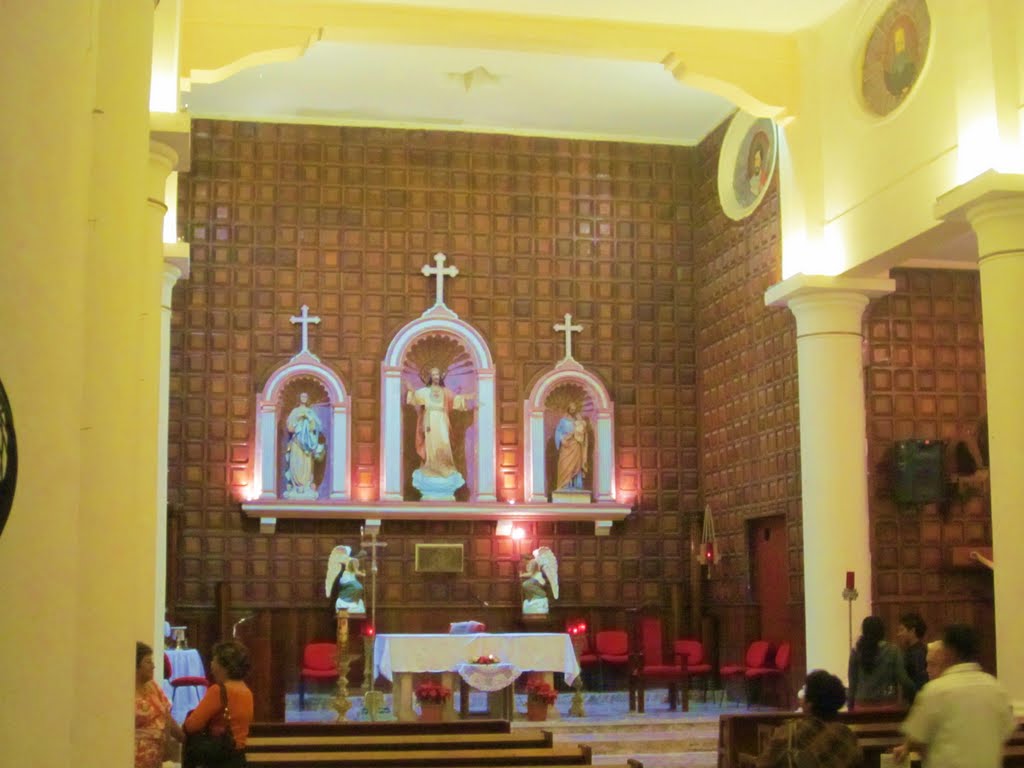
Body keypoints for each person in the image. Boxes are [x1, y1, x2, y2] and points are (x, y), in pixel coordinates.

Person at [893, 625, 1015, 768]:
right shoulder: (995, 688)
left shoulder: (936, 690)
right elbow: (1006, 731)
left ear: (950, 651)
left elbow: (918, 737)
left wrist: (907, 747)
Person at [754, 670, 862, 768]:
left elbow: (763, 764)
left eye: (805, 695)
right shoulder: (848, 737)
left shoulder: (788, 733)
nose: (801, 700)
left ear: (810, 704)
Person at [183, 640, 254, 768]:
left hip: (219, 756)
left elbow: (192, 725)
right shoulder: (246, 690)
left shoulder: (219, 690)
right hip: (239, 757)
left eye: (214, 660)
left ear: (224, 666)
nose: (211, 664)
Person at [406, 367, 473, 479]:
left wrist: (469, 397)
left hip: (442, 420)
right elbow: (414, 398)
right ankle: (431, 468)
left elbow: (456, 400)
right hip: (430, 421)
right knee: (431, 443)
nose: (436, 377)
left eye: (437, 374)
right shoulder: (426, 391)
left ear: (440, 376)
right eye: (434, 375)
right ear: (430, 377)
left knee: (444, 442)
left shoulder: (444, 391)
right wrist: (410, 390)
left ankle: (445, 468)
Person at [848, 615, 917, 710]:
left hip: (861, 706)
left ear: (864, 631)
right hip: (887, 706)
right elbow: (903, 679)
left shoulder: (856, 652)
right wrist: (917, 692)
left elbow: (852, 684)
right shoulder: (893, 651)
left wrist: (850, 707)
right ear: (882, 631)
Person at [135, 641, 184, 768]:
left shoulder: (153, 686)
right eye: (148, 662)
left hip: (157, 755)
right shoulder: (126, 691)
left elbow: (166, 715)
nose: (153, 666)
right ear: (136, 665)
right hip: (135, 756)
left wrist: (183, 737)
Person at [283, 392, 326, 498]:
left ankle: (306, 486)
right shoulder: (295, 411)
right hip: (297, 443)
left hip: (307, 445)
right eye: (302, 396)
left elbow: (316, 427)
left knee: (306, 465)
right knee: (296, 464)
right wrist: (299, 417)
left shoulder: (310, 412)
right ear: (298, 398)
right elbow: (290, 428)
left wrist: (308, 418)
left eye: (306, 396)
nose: (304, 398)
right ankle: (296, 486)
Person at [554, 402, 588, 491]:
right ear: (568, 409)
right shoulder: (563, 420)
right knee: (564, 464)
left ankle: (575, 485)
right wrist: (562, 439)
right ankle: (564, 485)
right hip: (566, 445)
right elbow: (558, 431)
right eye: (571, 409)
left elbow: (582, 434)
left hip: (575, 445)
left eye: (574, 410)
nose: (573, 411)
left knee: (576, 465)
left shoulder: (577, 422)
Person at [895, 612, 929, 701]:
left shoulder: (917, 653)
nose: (898, 634)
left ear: (912, 631)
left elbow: (920, 684)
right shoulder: (915, 650)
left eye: (901, 630)